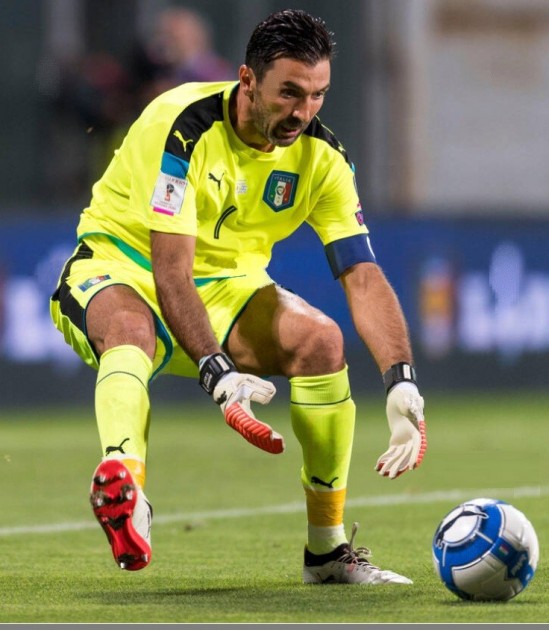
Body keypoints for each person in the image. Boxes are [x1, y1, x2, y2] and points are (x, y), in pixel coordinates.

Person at [50, 9, 427, 584]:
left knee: (323, 343)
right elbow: (170, 271)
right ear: (247, 80)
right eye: (290, 93)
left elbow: (362, 275)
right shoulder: (179, 125)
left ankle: (326, 553)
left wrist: (400, 380)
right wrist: (218, 374)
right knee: (131, 331)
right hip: (121, 266)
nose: (303, 112)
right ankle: (127, 485)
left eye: (318, 95)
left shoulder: (323, 160)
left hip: (228, 289)